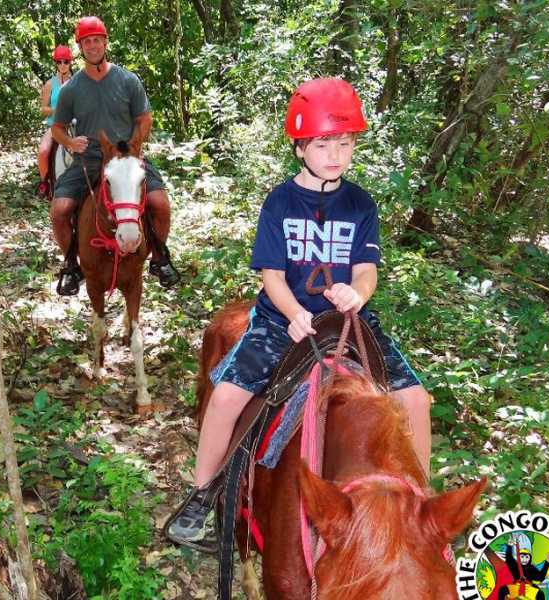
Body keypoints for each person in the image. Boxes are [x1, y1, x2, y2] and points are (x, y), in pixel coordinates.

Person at [167, 78, 434, 546]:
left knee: (415, 400)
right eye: (324, 143)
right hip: (280, 320)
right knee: (227, 396)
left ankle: (420, 508)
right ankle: (201, 496)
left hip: (349, 323)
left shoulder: (360, 204)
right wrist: (292, 313)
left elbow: (366, 268)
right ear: (300, 147)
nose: (335, 154)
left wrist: (358, 294)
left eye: (345, 143)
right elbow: (270, 274)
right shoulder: (280, 202)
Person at [49, 15, 180, 296]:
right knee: (60, 210)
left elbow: (145, 118)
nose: (93, 46)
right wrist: (71, 143)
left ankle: (159, 257)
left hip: (126, 154)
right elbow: (58, 129)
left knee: (160, 203)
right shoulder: (72, 88)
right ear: (80, 47)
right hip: (91, 156)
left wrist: (135, 144)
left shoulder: (127, 80)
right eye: (87, 42)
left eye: (97, 40)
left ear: (105, 42)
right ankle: (72, 264)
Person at [35, 45, 74, 198]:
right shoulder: (49, 84)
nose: (63, 65)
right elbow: (43, 109)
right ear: (56, 63)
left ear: (70, 62)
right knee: (43, 151)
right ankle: (45, 183)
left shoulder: (77, 81)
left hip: (74, 124)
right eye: (59, 62)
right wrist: (56, 110)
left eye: (66, 61)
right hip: (55, 125)